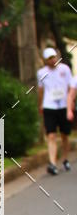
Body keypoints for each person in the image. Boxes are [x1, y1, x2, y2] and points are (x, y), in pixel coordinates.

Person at [37, 46, 76, 175]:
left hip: (64, 106)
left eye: (53, 57)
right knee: (51, 134)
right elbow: (41, 90)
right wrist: (41, 104)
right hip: (49, 105)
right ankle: (52, 163)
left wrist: (70, 106)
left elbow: (71, 87)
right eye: (49, 58)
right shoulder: (41, 73)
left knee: (65, 134)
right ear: (45, 60)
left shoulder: (64, 69)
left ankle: (65, 159)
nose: (52, 60)